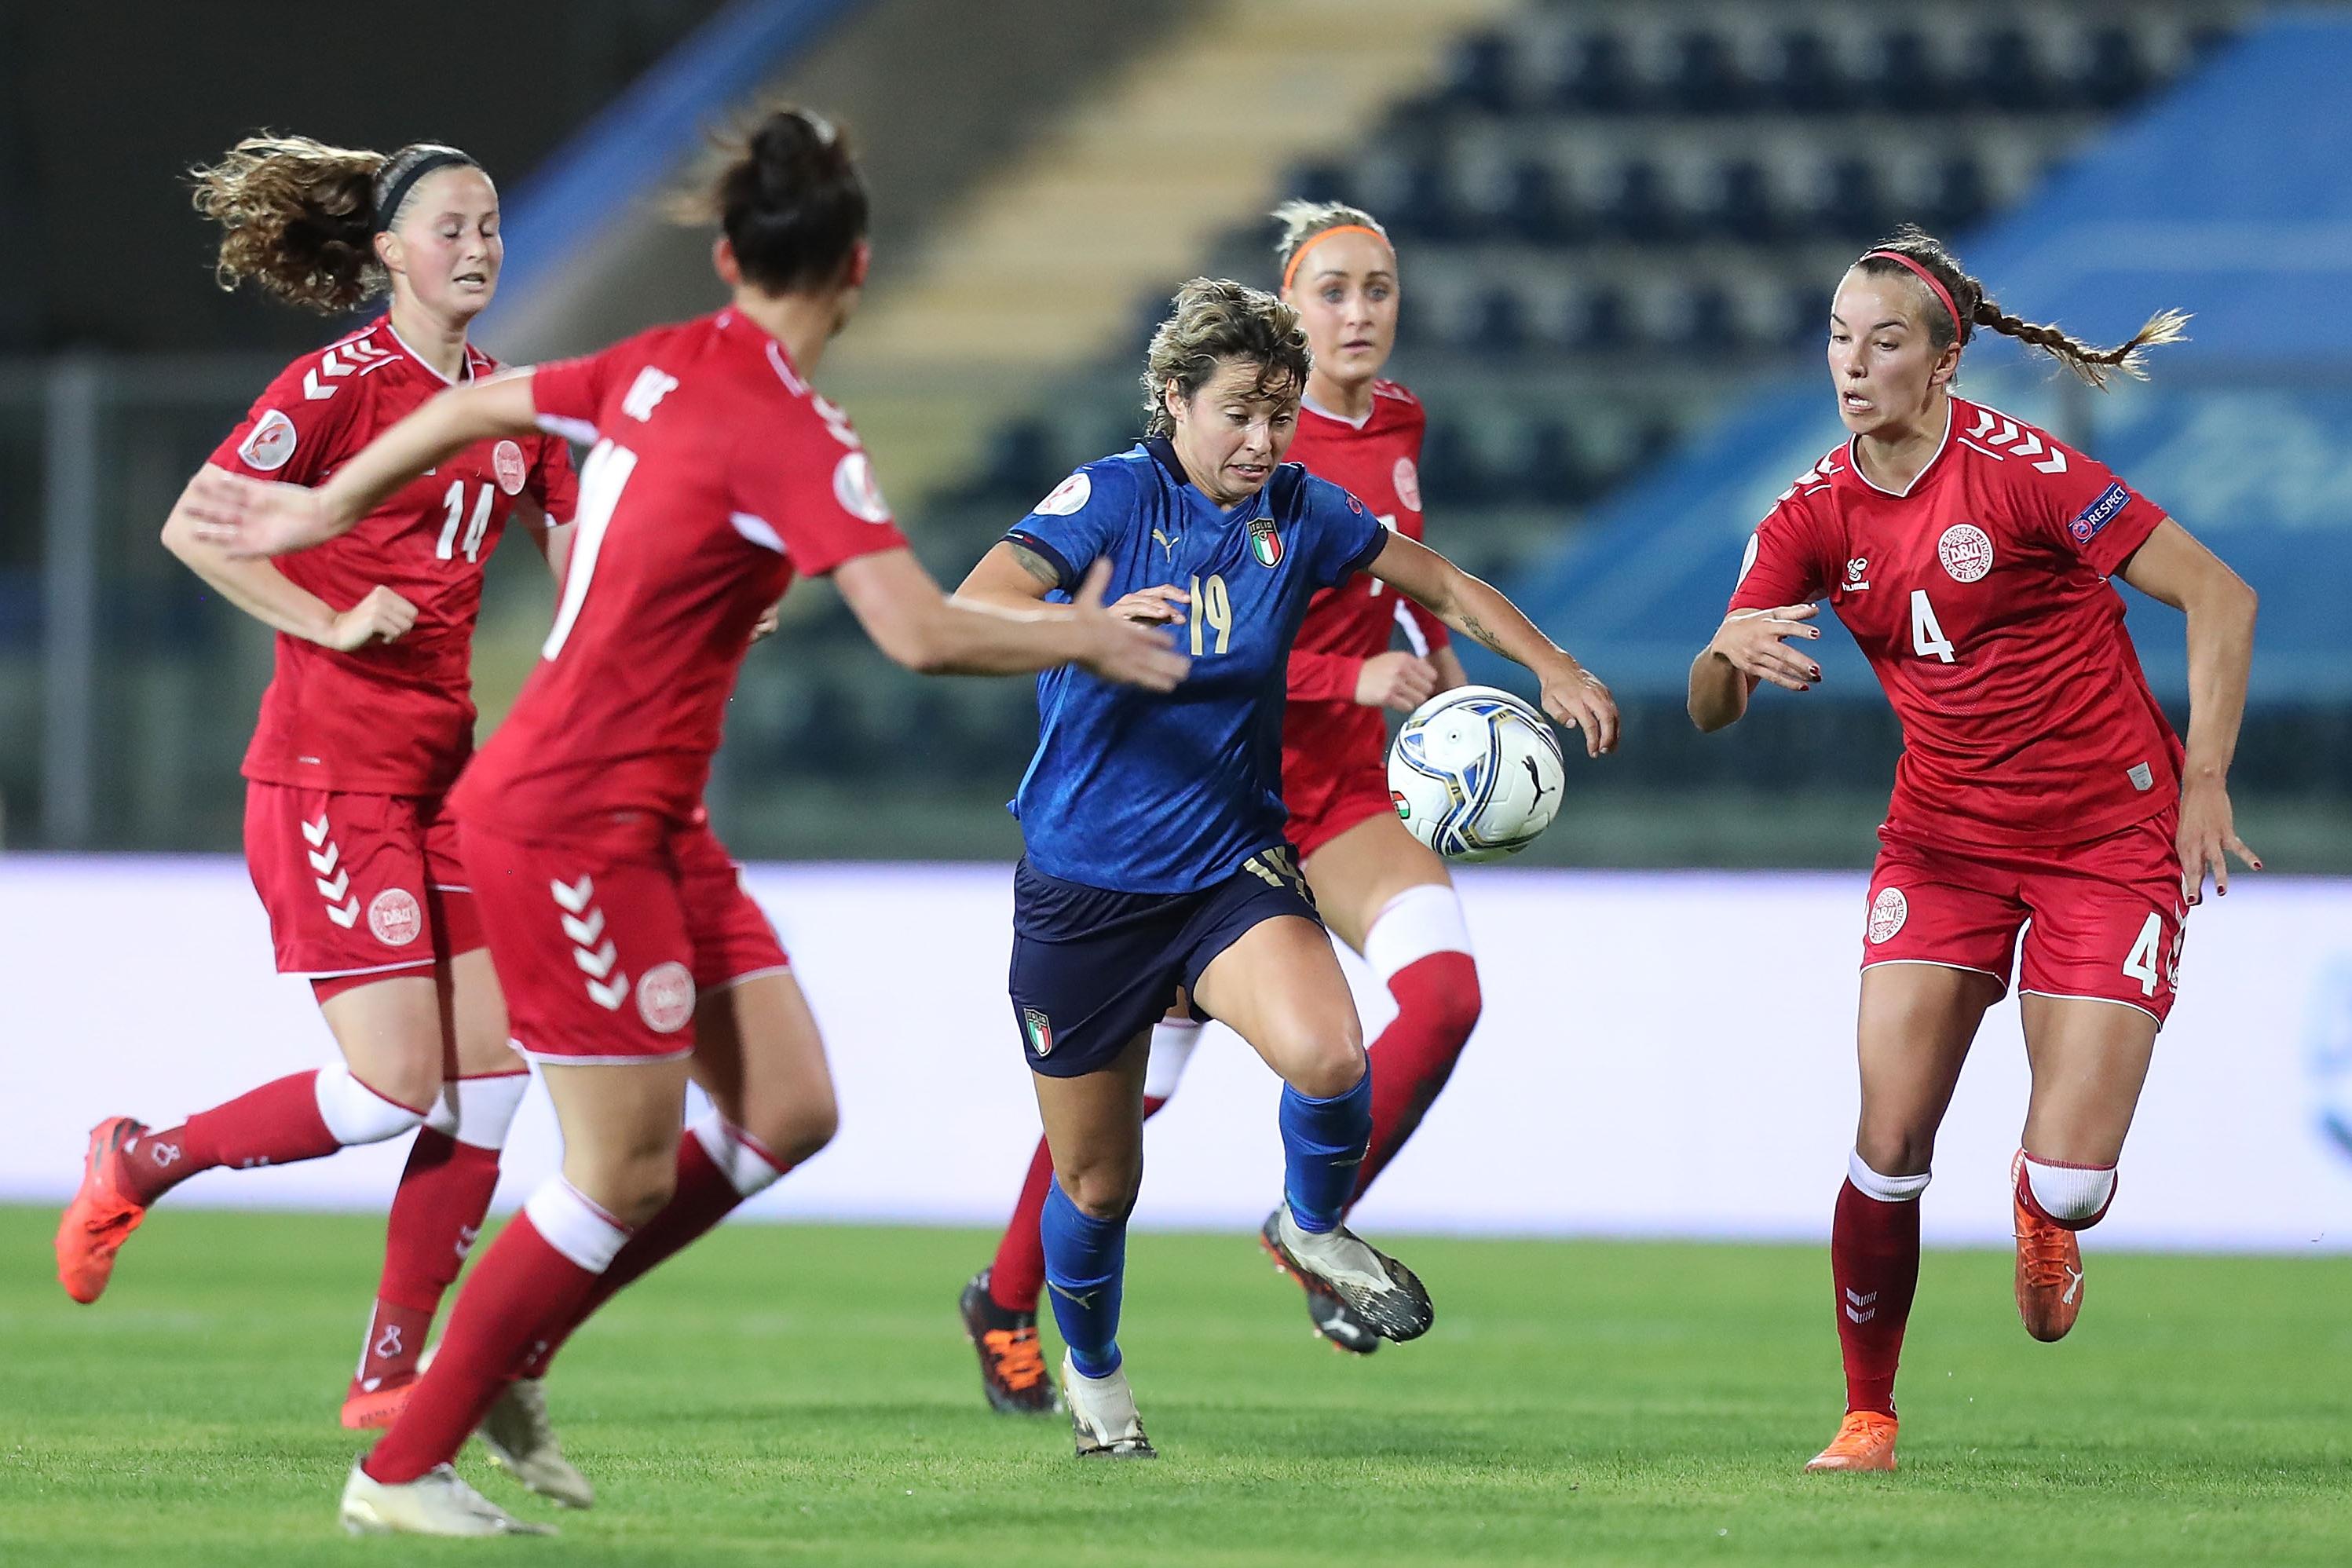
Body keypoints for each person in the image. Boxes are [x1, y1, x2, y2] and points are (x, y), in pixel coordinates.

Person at [186, 106, 1187, 1537]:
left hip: (651, 815)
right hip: (568, 817)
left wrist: (320, 507)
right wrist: (1082, 636)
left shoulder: (661, 363)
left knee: (790, 1110)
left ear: (726, 257)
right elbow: (914, 632)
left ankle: (511, 1343)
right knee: (621, 1166)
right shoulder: (794, 429)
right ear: (855, 273)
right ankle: (399, 1464)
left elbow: (483, 403)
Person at [953, 276, 1616, 1458]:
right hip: (1085, 891)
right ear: (1172, 399)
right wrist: (1082, 630)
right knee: (1098, 1184)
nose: (1263, 441)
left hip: (1226, 868)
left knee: (1331, 1049)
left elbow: (1443, 581)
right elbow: (976, 604)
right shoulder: (1110, 499)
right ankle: (1095, 1371)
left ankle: (1314, 1226)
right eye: (1238, 414)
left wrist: (1550, 667)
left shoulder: (1304, 511)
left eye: (1280, 412)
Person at [57, 133, 591, 1488]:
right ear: (386, 254)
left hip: (451, 780)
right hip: (328, 776)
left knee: (495, 1075)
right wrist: (334, 617)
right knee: (386, 1090)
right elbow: (198, 524)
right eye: (451, 227)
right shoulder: (338, 385)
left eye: (491, 226)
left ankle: (390, 1373)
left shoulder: (509, 403)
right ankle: (142, 1156)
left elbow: (580, 558)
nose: (477, 247)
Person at [1688, 226, 2259, 1474]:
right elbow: (1707, 701)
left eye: (1885, 341)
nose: (1853, 364)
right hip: (1941, 844)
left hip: (2105, 838)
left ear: (1944, 363)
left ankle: (2044, 1208)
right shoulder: (1811, 510)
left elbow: (2221, 594)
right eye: (1840, 337)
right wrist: (1725, 656)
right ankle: (1867, 1413)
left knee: (2068, 1180)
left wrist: (2202, 780)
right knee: (1888, 1138)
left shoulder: (2029, 472)